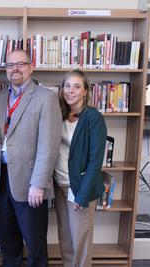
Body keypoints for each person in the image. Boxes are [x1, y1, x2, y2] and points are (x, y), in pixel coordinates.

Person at [0, 49, 62, 267]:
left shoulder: (45, 97)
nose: (15, 69)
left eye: (20, 64)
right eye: (10, 65)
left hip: (30, 183)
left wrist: (38, 184)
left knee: (35, 244)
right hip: (2, 181)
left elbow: (49, 145)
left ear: (31, 67)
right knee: (8, 243)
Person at [54, 69, 107, 267]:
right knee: (66, 241)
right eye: (67, 86)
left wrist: (82, 195)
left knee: (81, 243)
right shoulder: (59, 114)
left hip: (78, 189)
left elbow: (95, 161)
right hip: (60, 186)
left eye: (76, 86)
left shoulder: (93, 118)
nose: (70, 91)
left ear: (85, 91)